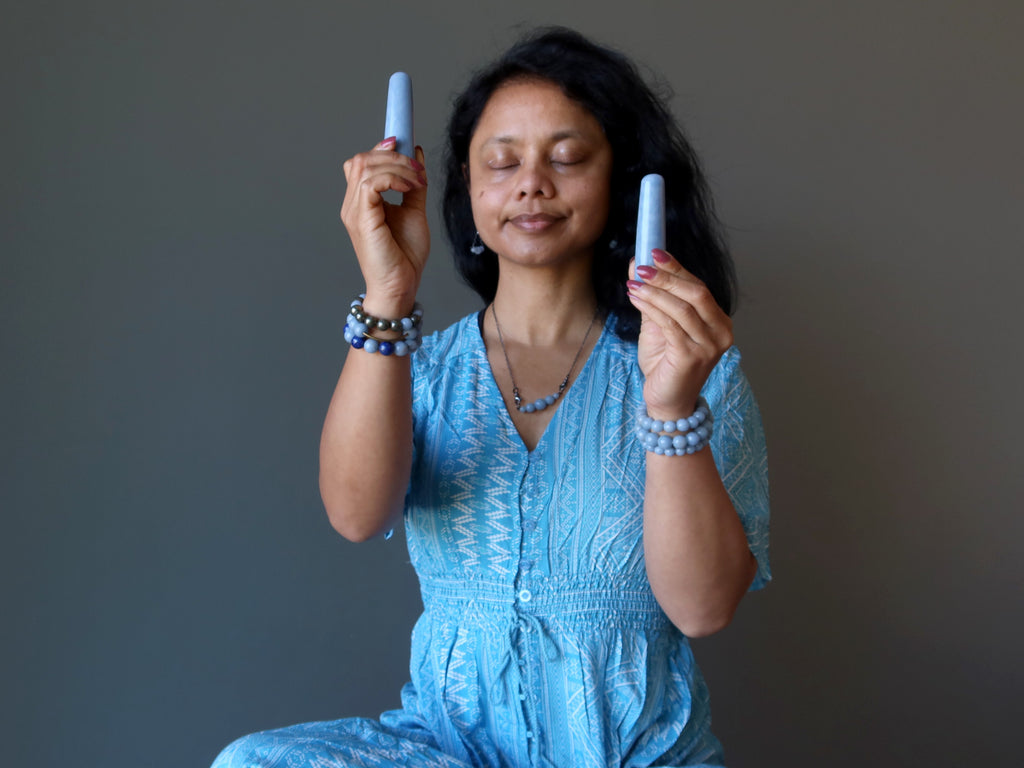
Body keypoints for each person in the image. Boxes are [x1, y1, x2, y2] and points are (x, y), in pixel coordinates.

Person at [213, 26, 769, 768]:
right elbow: (355, 515)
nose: (531, 183)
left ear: (621, 183)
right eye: (501, 162)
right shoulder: (422, 369)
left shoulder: (694, 371)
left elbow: (702, 610)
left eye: (567, 158)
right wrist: (388, 294)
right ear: (468, 191)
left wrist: (669, 408)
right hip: (453, 753)